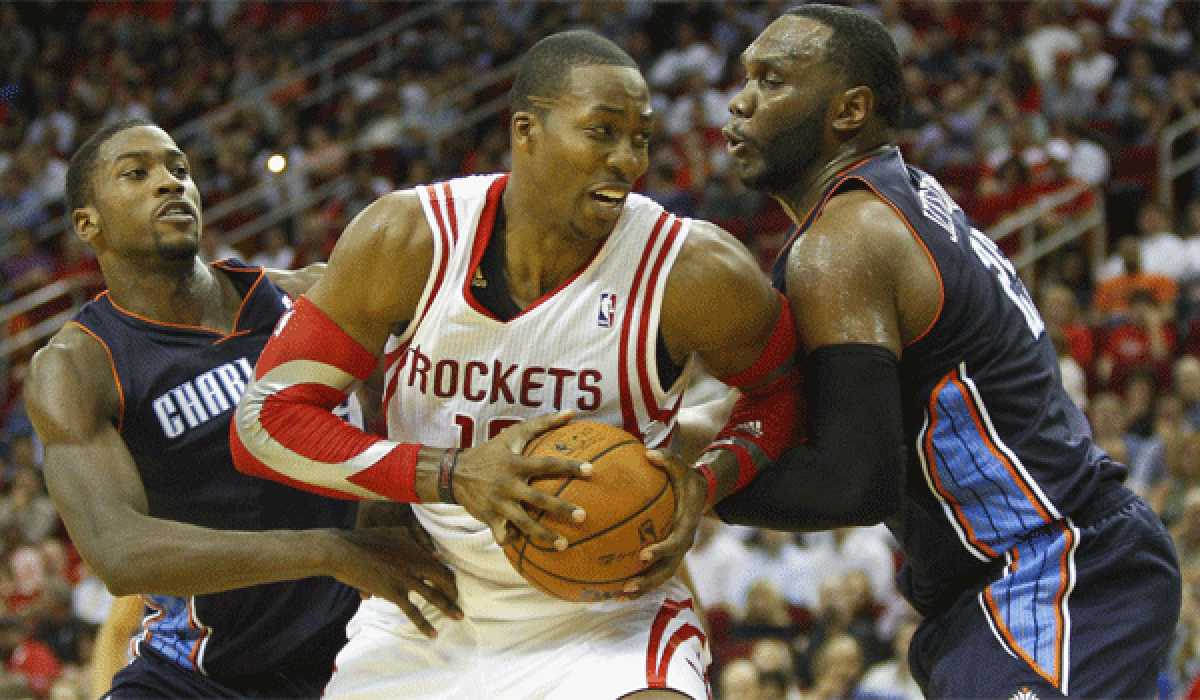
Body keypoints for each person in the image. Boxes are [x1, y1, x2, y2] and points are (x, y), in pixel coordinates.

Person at [232, 29, 799, 700]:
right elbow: (264, 422)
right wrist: (450, 474)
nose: (627, 159)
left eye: (640, 138)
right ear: (526, 130)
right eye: (602, 132)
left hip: (607, 609)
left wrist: (705, 481)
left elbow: (783, 393)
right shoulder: (408, 238)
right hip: (431, 599)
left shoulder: (693, 271)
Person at [648, 5, 1182, 699]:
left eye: (773, 80)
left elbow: (856, 479)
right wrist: (644, 432)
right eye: (746, 77)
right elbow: (775, 408)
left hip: (1051, 571)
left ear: (850, 110)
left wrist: (687, 492)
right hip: (1007, 587)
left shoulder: (847, 238)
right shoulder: (891, 202)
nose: (740, 101)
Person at [24, 119, 461, 699]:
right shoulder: (79, 365)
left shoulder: (308, 297)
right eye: (137, 173)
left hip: (366, 644)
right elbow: (119, 551)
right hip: (198, 675)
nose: (169, 184)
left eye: (179, 169)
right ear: (88, 224)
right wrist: (328, 551)